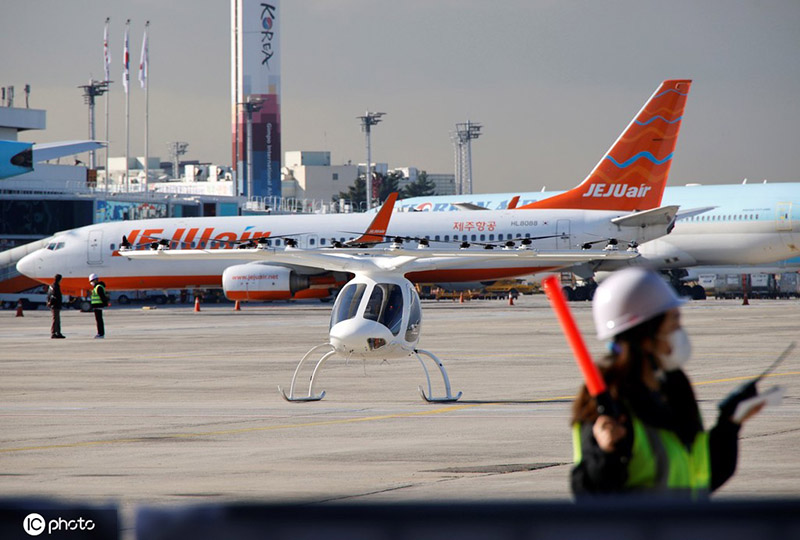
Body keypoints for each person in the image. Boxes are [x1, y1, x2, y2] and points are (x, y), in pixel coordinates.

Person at [570, 267, 762, 498]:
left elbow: (701, 476)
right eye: (674, 322)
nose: (680, 331)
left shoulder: (673, 388)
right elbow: (590, 497)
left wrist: (729, 424)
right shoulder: (610, 404)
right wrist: (607, 453)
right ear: (646, 333)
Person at [89, 273, 108, 339]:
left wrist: (105, 303)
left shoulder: (98, 287)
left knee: (99, 320)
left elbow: (102, 296)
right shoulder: (97, 287)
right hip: (96, 306)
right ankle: (100, 333)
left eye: (91, 281)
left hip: (98, 305)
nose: (91, 283)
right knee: (99, 320)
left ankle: (100, 333)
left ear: (95, 280)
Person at [47, 274, 65, 339]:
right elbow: (53, 296)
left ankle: (58, 332)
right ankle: (54, 333)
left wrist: (49, 302)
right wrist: (51, 302)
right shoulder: (55, 286)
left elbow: (49, 295)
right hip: (55, 305)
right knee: (55, 319)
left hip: (55, 305)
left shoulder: (52, 286)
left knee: (57, 320)